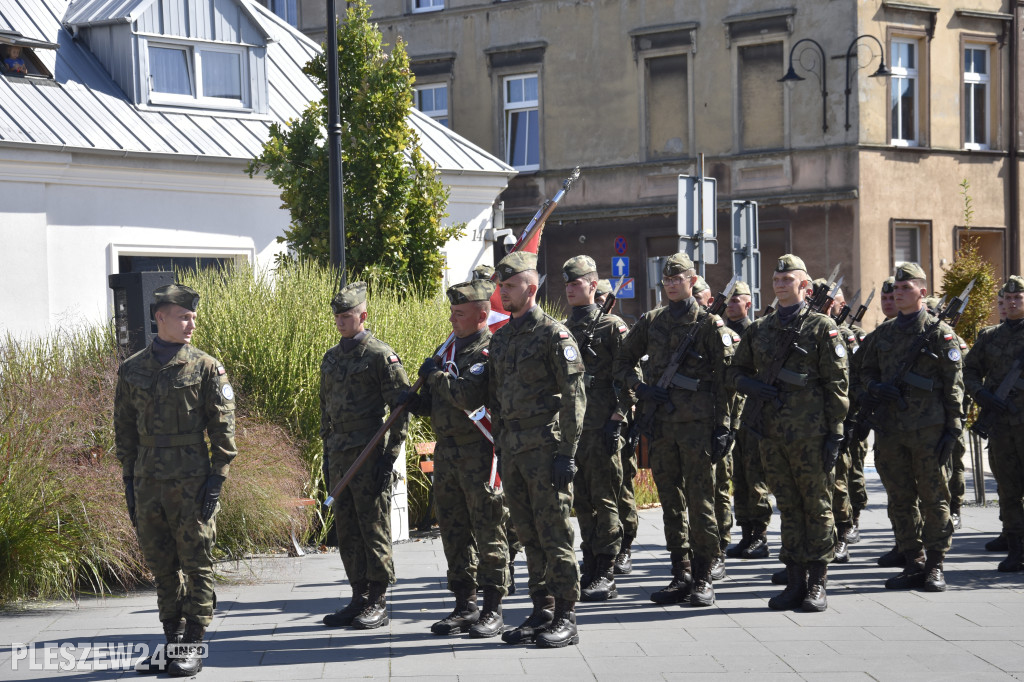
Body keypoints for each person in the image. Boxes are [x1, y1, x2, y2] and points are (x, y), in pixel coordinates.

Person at [114, 284, 236, 677]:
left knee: (197, 560)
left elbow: (223, 430)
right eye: (183, 316)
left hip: (191, 480)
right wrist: (129, 482)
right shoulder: (132, 368)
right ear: (159, 317)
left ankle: (195, 642)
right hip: (148, 480)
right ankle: (173, 639)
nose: (190, 323)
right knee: (160, 563)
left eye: (193, 317)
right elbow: (125, 432)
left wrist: (217, 478)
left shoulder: (204, 366)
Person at [728, 254, 848, 612]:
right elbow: (734, 372)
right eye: (777, 279)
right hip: (772, 434)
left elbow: (837, 385)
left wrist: (835, 433)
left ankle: (818, 582)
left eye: (788, 279)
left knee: (817, 506)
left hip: (811, 435)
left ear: (805, 287)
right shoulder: (760, 329)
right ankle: (794, 580)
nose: (781, 284)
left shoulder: (822, 328)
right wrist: (752, 385)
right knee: (789, 508)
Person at [615, 253, 735, 607]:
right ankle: (679, 572)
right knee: (671, 503)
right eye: (666, 280)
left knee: (701, 504)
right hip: (663, 427)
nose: (670, 283)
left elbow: (726, 383)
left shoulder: (710, 325)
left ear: (693, 279)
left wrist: (724, 426)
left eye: (677, 278)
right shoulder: (652, 321)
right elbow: (622, 361)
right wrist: (640, 388)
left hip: (698, 429)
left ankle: (703, 575)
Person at [488, 251, 586, 648]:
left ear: (530, 288)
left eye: (509, 287)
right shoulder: (504, 337)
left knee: (555, 533)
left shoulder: (554, 335)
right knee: (527, 533)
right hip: (513, 449)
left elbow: (575, 396)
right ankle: (542, 607)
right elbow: (495, 396)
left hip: (545, 450)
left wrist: (567, 452)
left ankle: (566, 614)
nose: (503, 293)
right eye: (501, 286)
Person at [407, 279, 510, 637]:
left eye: (460, 313)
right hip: (447, 451)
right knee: (452, 531)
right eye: (451, 312)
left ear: (482, 314)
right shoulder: (447, 350)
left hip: (480, 453)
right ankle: (465, 604)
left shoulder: (488, 351)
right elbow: (440, 401)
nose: (453, 319)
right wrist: (413, 400)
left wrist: (434, 377)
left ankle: (493, 607)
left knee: (488, 530)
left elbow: (467, 395)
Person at [859, 263, 963, 592]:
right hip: (891, 429)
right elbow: (862, 371)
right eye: (896, 290)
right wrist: (876, 388)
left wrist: (954, 427)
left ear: (922, 291)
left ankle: (935, 565)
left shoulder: (939, 333)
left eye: (906, 288)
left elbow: (954, 384)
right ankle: (913, 560)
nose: (899, 293)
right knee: (899, 499)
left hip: (929, 429)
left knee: (935, 498)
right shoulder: (882, 335)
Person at [321, 282, 411, 630]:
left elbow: (399, 408)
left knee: (372, 526)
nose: (341, 322)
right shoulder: (331, 357)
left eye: (347, 316)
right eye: (338, 317)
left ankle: (378, 599)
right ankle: (358, 595)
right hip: (339, 454)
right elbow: (324, 408)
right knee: (347, 528)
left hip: (369, 453)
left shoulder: (379, 355)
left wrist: (388, 458)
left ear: (363, 316)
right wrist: (327, 447)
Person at [561, 256, 630, 601]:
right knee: (582, 500)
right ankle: (590, 563)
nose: (572, 289)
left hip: (602, 424)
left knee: (604, 499)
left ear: (593, 284)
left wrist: (618, 419)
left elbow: (632, 377)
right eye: (568, 285)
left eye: (578, 283)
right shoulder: (560, 329)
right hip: (573, 431)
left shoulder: (611, 327)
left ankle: (606, 568)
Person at [964, 275, 1024, 572]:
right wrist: (982, 394)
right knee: (1008, 488)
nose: (1012, 303)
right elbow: (969, 369)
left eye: (1018, 298)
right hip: (1000, 425)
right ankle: (1015, 548)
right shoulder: (990, 336)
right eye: (1008, 299)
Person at [722, 281, 773, 562]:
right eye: (728, 301)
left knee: (755, 477)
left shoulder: (756, 332)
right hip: (731, 416)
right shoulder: (719, 331)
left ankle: (760, 536)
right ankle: (745, 533)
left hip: (751, 414)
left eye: (735, 300)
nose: (730, 305)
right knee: (739, 477)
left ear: (748, 304)